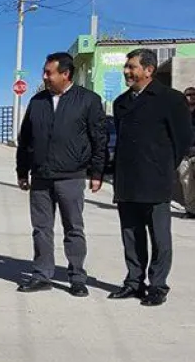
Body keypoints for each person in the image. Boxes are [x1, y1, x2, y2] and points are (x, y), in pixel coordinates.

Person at [16, 52, 107, 297]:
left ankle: (77, 277)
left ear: (65, 74)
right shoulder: (37, 102)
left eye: (49, 72)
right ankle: (41, 275)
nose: (44, 76)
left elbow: (99, 138)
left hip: (71, 176)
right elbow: (25, 139)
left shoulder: (88, 100)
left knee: (73, 228)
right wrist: (22, 171)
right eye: (45, 72)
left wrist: (97, 172)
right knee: (41, 229)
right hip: (41, 177)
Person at [109, 49, 193, 306]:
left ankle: (157, 285)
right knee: (131, 235)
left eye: (132, 67)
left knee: (159, 236)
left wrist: (164, 167)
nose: (127, 71)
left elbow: (182, 140)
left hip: (155, 179)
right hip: (127, 180)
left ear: (149, 70)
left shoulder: (171, 99)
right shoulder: (121, 102)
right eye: (126, 67)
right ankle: (134, 281)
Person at [176, 87, 195, 217]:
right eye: (187, 95)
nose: (190, 97)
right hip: (184, 154)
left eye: (193, 95)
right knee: (186, 183)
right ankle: (191, 210)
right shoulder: (181, 113)